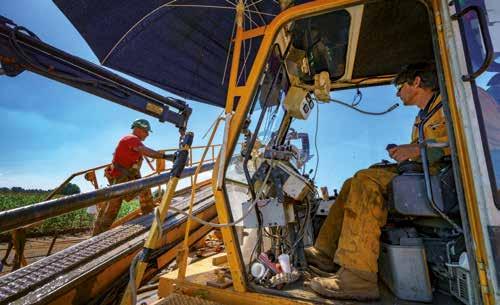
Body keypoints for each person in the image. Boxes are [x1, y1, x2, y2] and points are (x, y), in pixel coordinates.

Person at [306, 63, 450, 300]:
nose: (397, 93)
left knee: (366, 180)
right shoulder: (421, 118)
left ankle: (359, 278)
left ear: (416, 82)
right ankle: (325, 253)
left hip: (441, 178)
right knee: (353, 182)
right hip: (420, 173)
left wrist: (416, 150)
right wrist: (407, 153)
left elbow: (475, 141)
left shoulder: (453, 103)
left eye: (399, 87)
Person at [92, 119, 174, 236]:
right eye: (146, 131)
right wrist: (166, 156)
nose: (147, 134)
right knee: (111, 210)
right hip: (119, 179)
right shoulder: (131, 139)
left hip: (126, 178)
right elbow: (146, 151)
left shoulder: (134, 143)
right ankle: (96, 237)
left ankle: (149, 215)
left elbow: (136, 162)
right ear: (139, 130)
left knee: (145, 187)